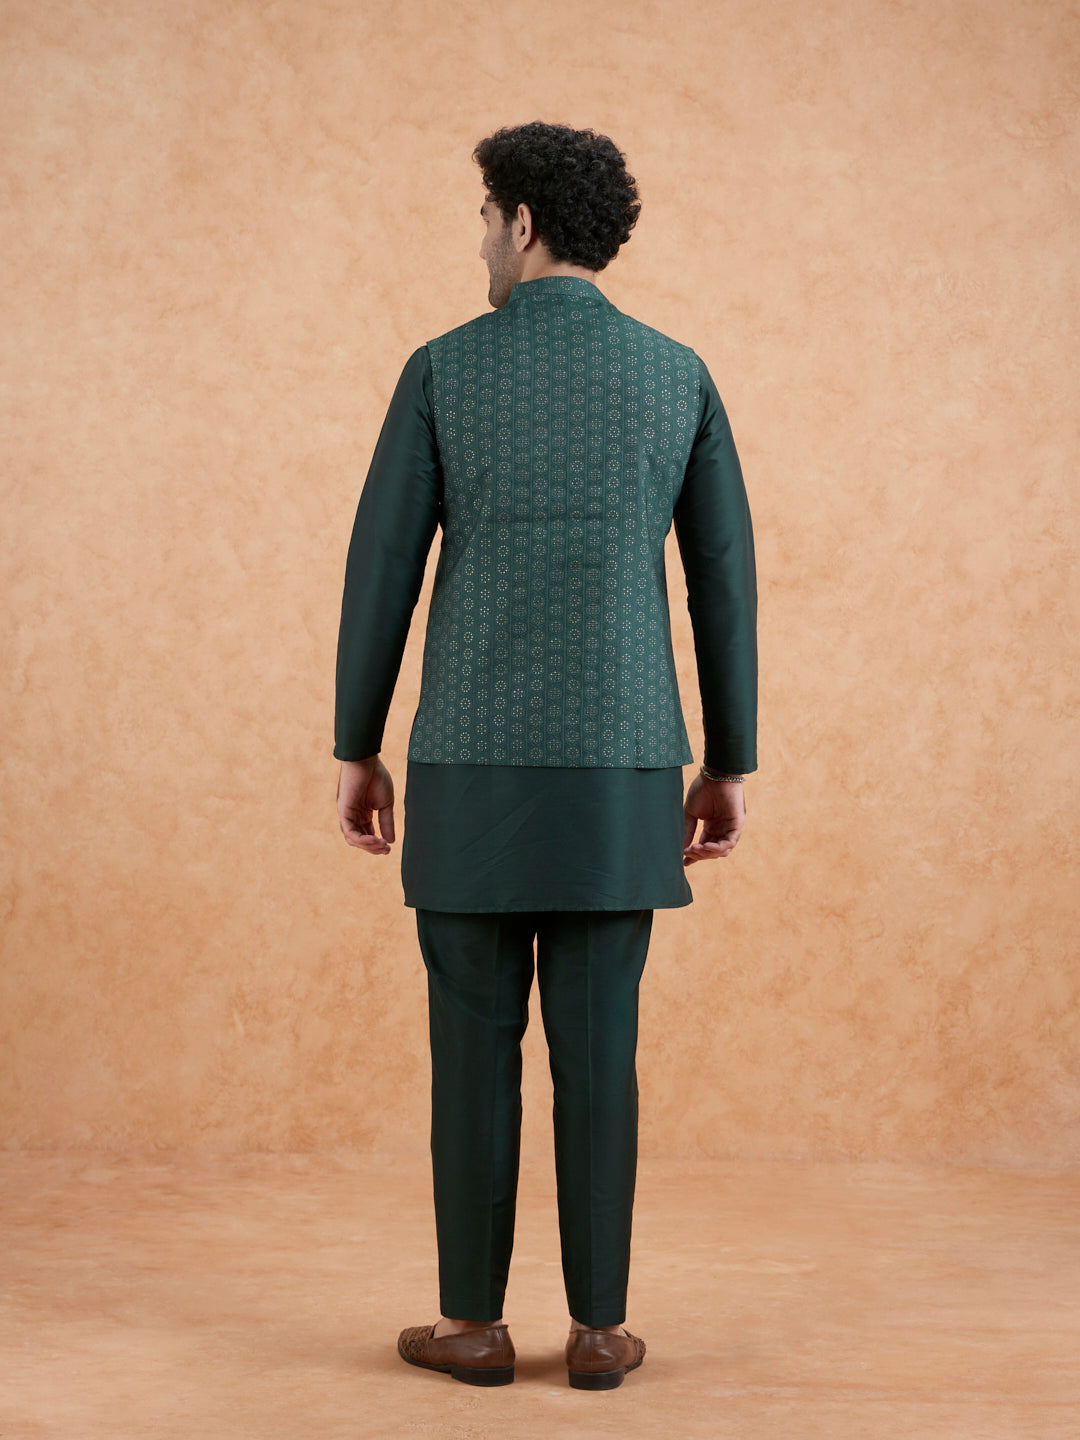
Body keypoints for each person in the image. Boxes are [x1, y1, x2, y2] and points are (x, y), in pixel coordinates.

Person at [334, 121, 757, 1391]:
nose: (481, 241)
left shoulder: (441, 370)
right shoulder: (678, 375)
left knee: (471, 1057)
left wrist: (357, 744)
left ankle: (471, 1326)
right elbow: (722, 581)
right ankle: (600, 1330)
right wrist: (727, 759)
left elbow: (383, 567)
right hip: (623, 768)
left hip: (470, 763)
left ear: (521, 223)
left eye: (484, 218)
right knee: (599, 1054)